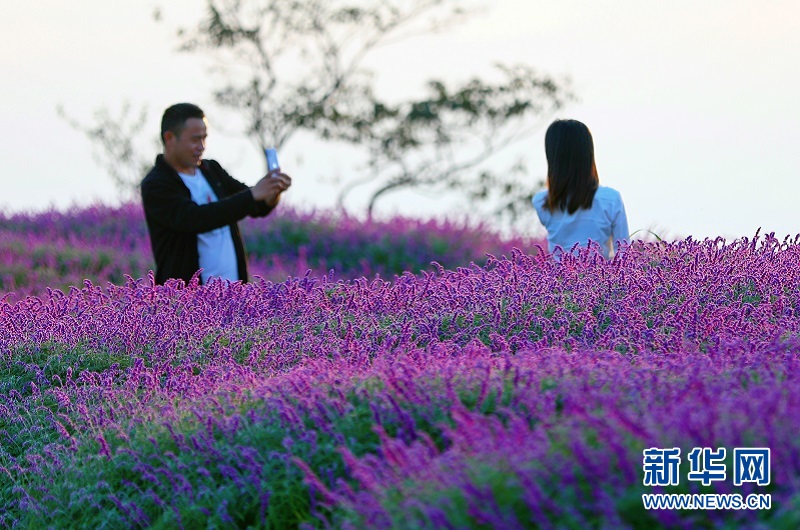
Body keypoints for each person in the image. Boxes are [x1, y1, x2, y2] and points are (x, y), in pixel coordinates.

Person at [141, 103, 291, 285]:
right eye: (195, 139)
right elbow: (194, 218)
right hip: (187, 300)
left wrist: (272, 191)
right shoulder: (157, 184)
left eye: (204, 138)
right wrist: (252, 195)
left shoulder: (211, 170)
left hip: (234, 293)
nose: (201, 147)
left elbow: (255, 206)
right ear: (170, 138)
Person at [532, 119, 628, 259]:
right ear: (588, 153)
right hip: (601, 280)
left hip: (559, 280)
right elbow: (624, 254)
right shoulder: (610, 199)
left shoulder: (542, 202)